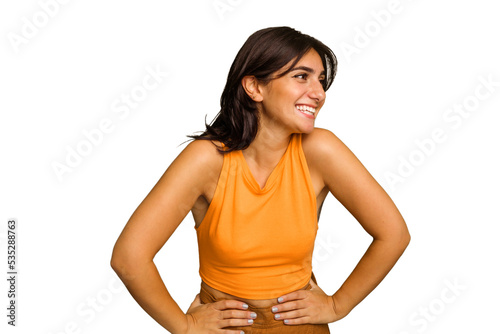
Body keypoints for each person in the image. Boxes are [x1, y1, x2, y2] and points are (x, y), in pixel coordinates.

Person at [111, 26, 410, 334]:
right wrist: (185, 327)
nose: (319, 93)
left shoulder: (321, 150)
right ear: (254, 87)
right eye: (301, 76)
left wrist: (337, 305)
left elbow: (393, 234)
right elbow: (129, 258)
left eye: (321, 80)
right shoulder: (205, 159)